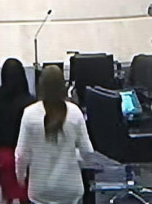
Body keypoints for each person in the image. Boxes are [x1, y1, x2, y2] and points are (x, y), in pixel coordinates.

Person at [15, 65, 93, 204]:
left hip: (40, 189)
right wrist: (74, 157)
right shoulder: (75, 112)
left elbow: (21, 155)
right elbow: (87, 151)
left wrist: (21, 177)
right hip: (70, 188)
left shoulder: (30, 114)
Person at [0, 59, 34, 204]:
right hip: (26, 155)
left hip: (4, 154)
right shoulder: (30, 102)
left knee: (6, 195)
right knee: (26, 196)